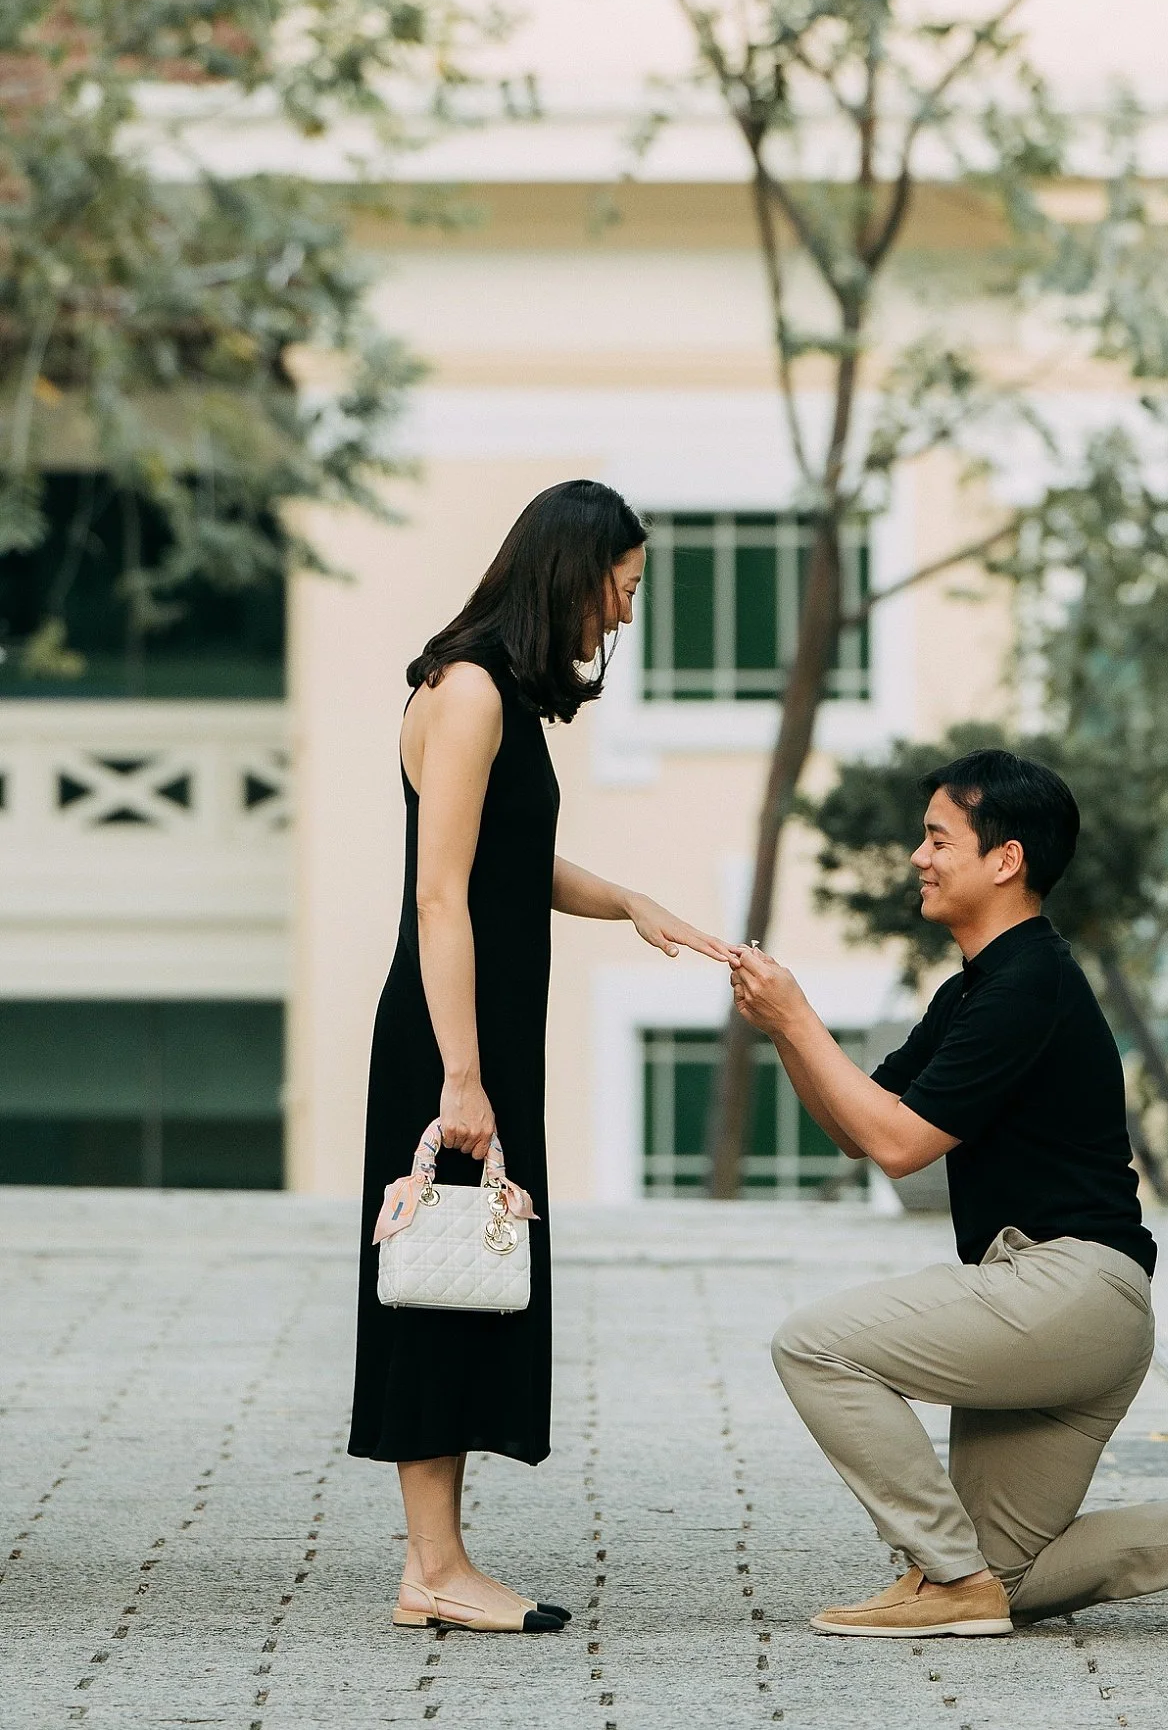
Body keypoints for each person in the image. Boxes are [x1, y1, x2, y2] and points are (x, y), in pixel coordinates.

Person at [728, 747, 1168, 1642]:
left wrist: (798, 1018)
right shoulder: (980, 989)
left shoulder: (1027, 984)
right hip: (1083, 1312)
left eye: (937, 839)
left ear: (1005, 859)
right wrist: (783, 1030)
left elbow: (898, 1147)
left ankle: (947, 1577)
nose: (919, 857)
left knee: (814, 1348)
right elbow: (860, 1126)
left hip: (1064, 1290)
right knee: (1013, 1575)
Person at [349, 479, 734, 1634]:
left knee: (471, 1282)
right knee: (435, 1289)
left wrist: (627, 901)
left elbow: (510, 865)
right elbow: (439, 893)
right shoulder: (465, 692)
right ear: (570, 573)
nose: (621, 617)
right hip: (446, 1037)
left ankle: (442, 1562)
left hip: (481, 1035)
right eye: (619, 591)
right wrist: (461, 1077)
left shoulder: (495, 694)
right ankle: (433, 1569)